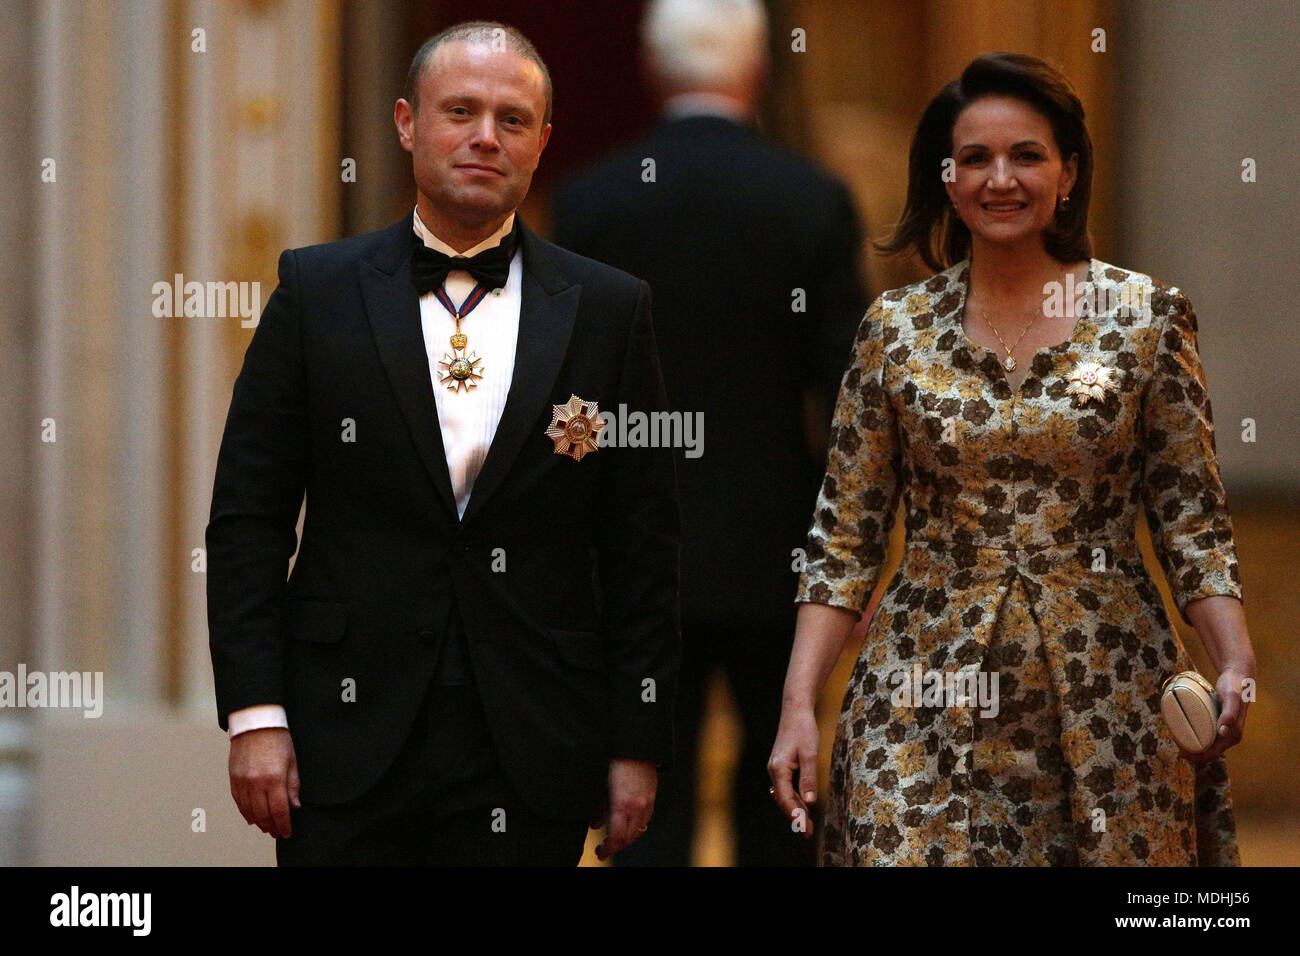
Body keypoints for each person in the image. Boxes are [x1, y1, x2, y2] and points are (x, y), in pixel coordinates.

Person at [206, 20, 680, 866]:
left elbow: (641, 544)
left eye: (512, 117)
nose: (485, 137)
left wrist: (635, 741)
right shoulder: (316, 292)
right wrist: (256, 716)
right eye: (460, 110)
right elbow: (248, 520)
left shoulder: (611, 310)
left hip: (532, 742)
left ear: (542, 140)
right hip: (342, 739)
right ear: (406, 123)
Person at [768, 52, 1255, 866]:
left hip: (1111, 689)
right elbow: (844, 540)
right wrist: (796, 707)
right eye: (976, 158)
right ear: (947, 179)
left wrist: (1233, 658)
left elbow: (1190, 518)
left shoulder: (1144, 317)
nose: (1002, 179)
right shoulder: (896, 328)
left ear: (1068, 172)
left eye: (1027, 155)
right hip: (921, 686)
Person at [553, 0, 866, 866]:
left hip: (633, 553)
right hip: (781, 551)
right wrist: (856, 562)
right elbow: (850, 400)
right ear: (759, 69)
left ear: (655, 70)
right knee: (785, 787)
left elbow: (569, 395)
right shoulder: (810, 199)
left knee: (643, 787)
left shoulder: (592, 199)